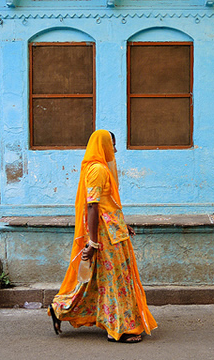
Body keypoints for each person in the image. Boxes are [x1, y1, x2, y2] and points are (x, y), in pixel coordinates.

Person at [48, 129, 157, 343]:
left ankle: (59, 308)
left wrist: (123, 224)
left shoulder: (101, 169)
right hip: (106, 237)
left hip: (114, 232)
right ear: (103, 145)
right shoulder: (97, 169)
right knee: (116, 281)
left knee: (96, 281)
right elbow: (92, 206)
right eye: (112, 145)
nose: (115, 150)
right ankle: (119, 329)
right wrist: (93, 242)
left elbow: (109, 205)